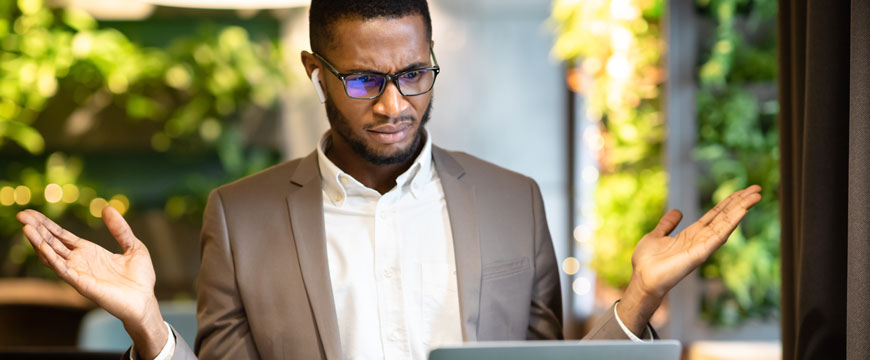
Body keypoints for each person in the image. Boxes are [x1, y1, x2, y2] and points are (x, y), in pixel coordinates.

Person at [14, 1, 763, 359]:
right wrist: (146, 323)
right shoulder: (240, 217)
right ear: (316, 72)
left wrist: (641, 298)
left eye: (414, 73)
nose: (397, 103)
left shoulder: (514, 201)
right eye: (366, 81)